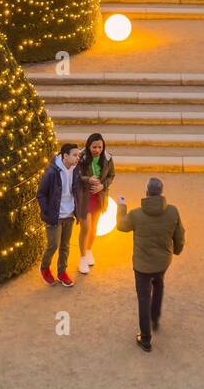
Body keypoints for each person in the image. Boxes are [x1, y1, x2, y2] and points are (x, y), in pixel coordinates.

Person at [117, 177, 185, 352]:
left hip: (142, 265)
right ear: (161, 192)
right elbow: (179, 234)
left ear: (146, 192)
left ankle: (145, 339)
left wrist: (122, 206)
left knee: (143, 298)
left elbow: (121, 226)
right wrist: (176, 250)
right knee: (159, 282)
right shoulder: (172, 211)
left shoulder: (136, 214)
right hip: (163, 261)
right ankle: (155, 317)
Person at [37, 143, 81, 286]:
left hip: (69, 215)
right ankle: (44, 268)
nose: (77, 158)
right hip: (55, 216)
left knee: (65, 246)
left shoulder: (76, 170)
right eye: (74, 155)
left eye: (78, 155)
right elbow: (41, 194)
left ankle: (62, 272)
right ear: (65, 156)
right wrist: (47, 211)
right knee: (53, 245)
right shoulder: (51, 172)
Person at [76, 132, 116, 274]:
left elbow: (111, 175)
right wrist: (88, 179)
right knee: (85, 228)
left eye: (100, 147)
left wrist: (102, 186)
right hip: (85, 197)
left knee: (94, 228)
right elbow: (77, 175)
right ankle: (81, 258)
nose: (97, 150)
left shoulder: (108, 158)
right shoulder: (81, 157)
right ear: (89, 145)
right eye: (94, 147)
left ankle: (88, 251)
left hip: (99, 197)